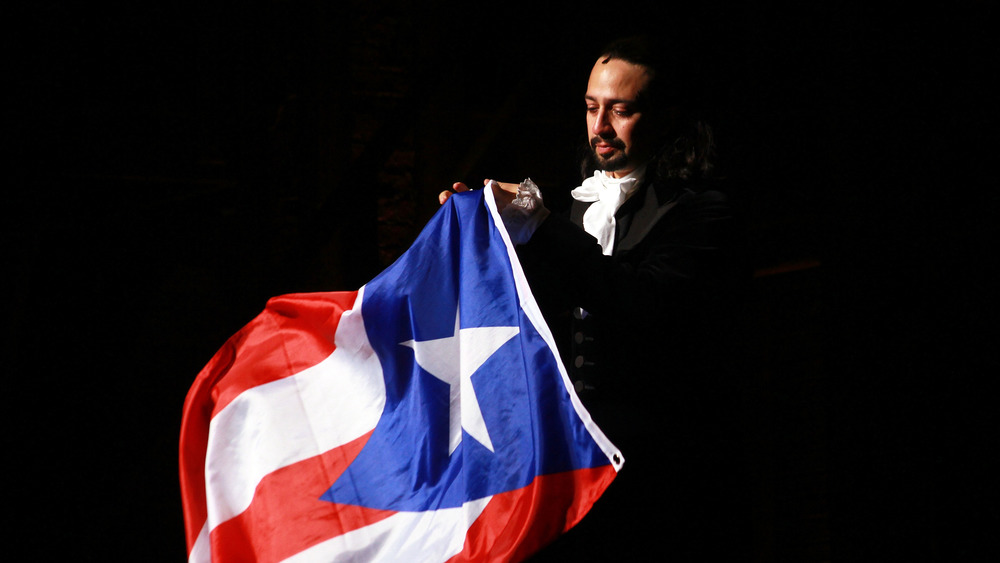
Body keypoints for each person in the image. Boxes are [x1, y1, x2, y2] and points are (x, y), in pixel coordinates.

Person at [442, 35, 752, 560]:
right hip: (564, 462)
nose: (600, 127)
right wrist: (483, 230)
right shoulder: (569, 209)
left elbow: (645, 303)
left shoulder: (701, 210)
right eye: (591, 108)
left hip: (659, 469)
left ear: (665, 115)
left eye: (620, 110)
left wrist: (536, 223)